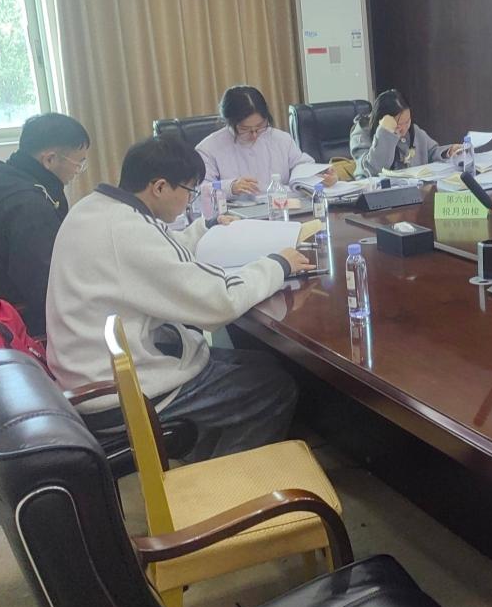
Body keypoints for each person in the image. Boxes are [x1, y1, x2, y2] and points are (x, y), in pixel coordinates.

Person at [46, 134, 309, 463]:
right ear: (159, 187)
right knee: (273, 387)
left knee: (260, 363)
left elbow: (157, 254)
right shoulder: (128, 231)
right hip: (123, 395)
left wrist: (205, 228)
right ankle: (228, 485)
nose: (189, 200)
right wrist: (278, 264)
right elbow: (219, 302)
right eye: (190, 190)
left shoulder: (95, 208)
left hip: (88, 375)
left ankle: (209, 462)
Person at [0, 112, 90, 336]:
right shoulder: (30, 206)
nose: (78, 171)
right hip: (24, 316)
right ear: (50, 160)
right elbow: (44, 286)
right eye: (79, 163)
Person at [196, 85, 337, 197]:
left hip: (282, 208)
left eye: (260, 126)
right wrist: (230, 187)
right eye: (245, 129)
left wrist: (319, 175)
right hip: (235, 217)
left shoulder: (281, 139)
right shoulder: (209, 148)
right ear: (229, 122)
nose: (254, 135)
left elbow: (300, 166)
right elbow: (199, 190)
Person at [350, 89, 461, 177]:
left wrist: (448, 152)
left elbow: (432, 152)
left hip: (414, 190)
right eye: (398, 125)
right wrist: (385, 133)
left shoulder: (413, 130)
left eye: (407, 121)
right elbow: (373, 170)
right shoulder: (362, 134)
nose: (404, 129)